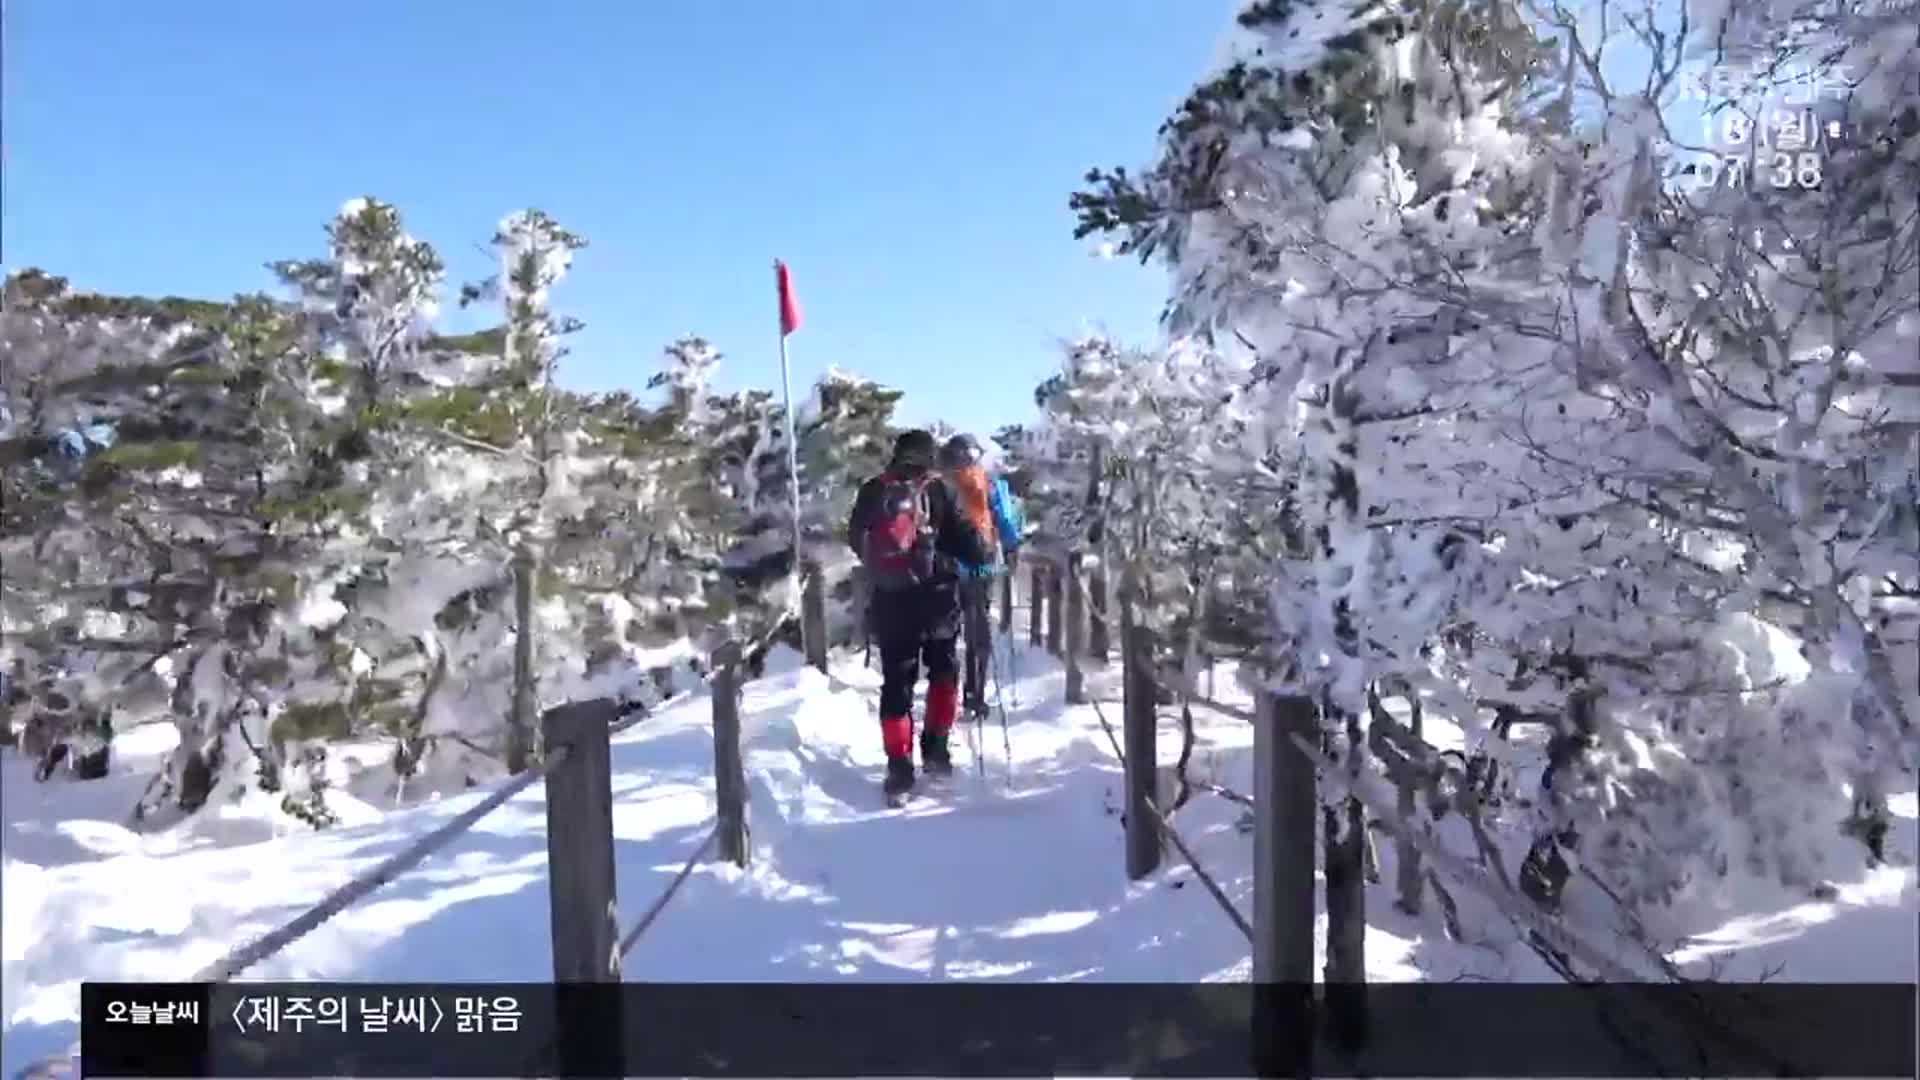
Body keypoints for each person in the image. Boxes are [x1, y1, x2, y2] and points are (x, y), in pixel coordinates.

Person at [847, 430, 992, 797]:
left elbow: (855, 540)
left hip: (891, 601)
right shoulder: (940, 490)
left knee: (896, 683)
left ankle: (899, 768)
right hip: (939, 601)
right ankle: (936, 750)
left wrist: (889, 566)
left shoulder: (873, 490)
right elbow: (974, 548)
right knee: (943, 673)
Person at [937, 433, 1024, 719]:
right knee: (978, 627)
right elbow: (1007, 521)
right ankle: (975, 694)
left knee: (947, 630)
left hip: (946, 566)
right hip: (982, 564)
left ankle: (946, 695)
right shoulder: (990, 484)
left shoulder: (940, 487)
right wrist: (1011, 550)